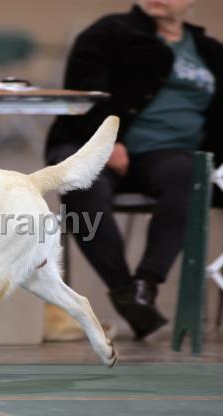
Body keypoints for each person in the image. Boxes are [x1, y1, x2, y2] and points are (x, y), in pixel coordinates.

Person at [45, 0, 222, 339]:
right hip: (98, 142)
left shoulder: (211, 52)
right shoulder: (110, 31)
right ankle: (125, 290)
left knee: (191, 175)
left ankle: (146, 284)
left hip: (170, 155)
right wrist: (107, 141)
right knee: (80, 180)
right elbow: (84, 93)